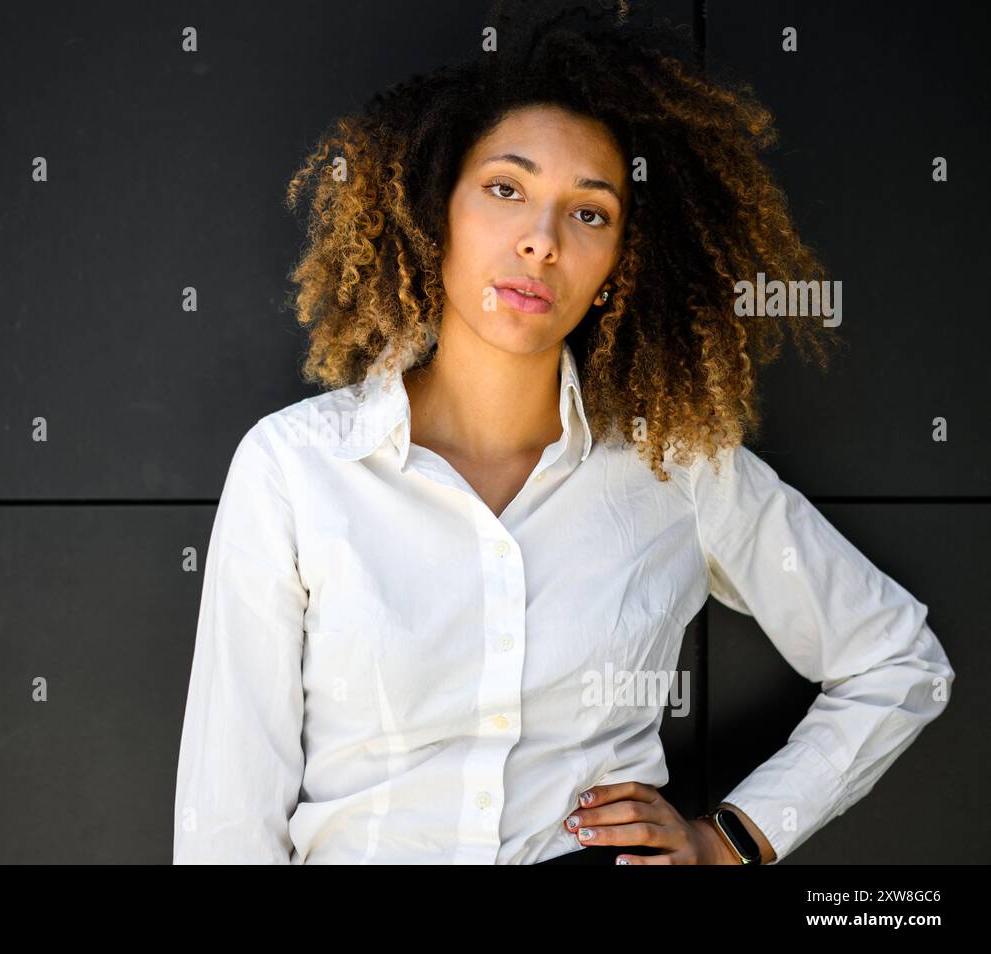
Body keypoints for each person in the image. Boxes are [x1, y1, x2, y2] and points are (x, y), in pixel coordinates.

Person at [172, 1, 955, 864]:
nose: (541, 241)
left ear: (620, 264)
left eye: (589, 213)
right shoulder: (296, 468)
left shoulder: (677, 466)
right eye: (505, 190)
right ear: (438, 214)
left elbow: (897, 662)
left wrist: (731, 838)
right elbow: (229, 811)